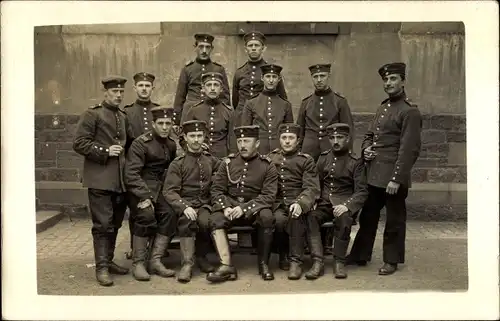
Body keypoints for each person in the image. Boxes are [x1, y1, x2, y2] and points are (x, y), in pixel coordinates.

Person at [347, 62, 422, 276]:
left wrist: (396, 179)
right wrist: (366, 149)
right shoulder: (383, 107)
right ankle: (361, 254)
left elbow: (410, 149)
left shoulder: (410, 112)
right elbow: (370, 135)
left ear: (403, 81)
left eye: (393, 79)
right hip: (374, 174)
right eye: (386, 80)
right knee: (368, 216)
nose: (388, 83)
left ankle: (392, 259)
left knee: (394, 220)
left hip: (393, 178)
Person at [73, 75, 133, 286]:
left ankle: (108, 261)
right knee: (103, 225)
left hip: (119, 180)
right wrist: (105, 151)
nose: (118, 95)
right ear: (105, 92)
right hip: (99, 179)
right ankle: (102, 268)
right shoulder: (92, 114)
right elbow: (79, 143)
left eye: (121, 92)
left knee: (115, 223)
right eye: (114, 92)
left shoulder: (122, 116)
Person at [206, 125, 278, 282]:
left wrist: (244, 208)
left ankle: (264, 263)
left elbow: (268, 196)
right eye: (239, 141)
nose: (242, 145)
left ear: (257, 143)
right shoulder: (227, 163)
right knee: (215, 219)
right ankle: (226, 265)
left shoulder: (267, 165)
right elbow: (217, 190)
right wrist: (225, 207)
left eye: (247, 141)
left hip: (255, 209)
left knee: (267, 217)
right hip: (230, 207)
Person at [305, 123, 368, 280]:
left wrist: (347, 206)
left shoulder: (356, 162)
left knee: (344, 219)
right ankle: (317, 262)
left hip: (344, 203)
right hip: (324, 203)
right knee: (311, 217)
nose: (335, 141)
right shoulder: (324, 158)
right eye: (332, 138)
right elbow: (315, 182)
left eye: (339, 137)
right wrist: (313, 199)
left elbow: (361, 191)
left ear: (347, 139)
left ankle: (339, 262)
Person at [124, 106, 179, 281]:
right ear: (153, 124)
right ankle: (138, 263)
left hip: (160, 190)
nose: (164, 127)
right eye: (161, 123)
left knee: (170, 214)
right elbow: (131, 174)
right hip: (140, 189)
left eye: (168, 123)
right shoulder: (141, 143)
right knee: (146, 215)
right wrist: (144, 197)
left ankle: (155, 261)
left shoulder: (170, 144)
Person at [164, 120, 222, 283]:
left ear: (204, 137)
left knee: (206, 221)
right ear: (185, 138)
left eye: (199, 136)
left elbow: (223, 169)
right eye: (192, 136)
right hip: (185, 203)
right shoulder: (178, 163)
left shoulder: (210, 160)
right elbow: (169, 191)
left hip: (204, 204)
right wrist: (184, 206)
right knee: (187, 221)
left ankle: (201, 256)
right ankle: (187, 264)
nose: (196, 140)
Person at [267, 123, 320, 280]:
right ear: (279, 140)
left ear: (298, 141)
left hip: (297, 202)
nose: (287, 141)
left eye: (291, 138)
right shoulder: (271, 158)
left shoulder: (306, 160)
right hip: (277, 203)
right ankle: (283, 255)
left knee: (295, 217)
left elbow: (311, 187)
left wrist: (301, 203)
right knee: (278, 221)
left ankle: (295, 261)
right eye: (284, 138)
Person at [297, 63, 354, 161]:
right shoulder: (306, 103)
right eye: (315, 77)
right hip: (308, 152)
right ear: (312, 78)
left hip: (331, 150)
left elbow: (348, 129)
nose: (319, 80)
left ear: (329, 76)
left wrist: (347, 150)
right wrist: (298, 152)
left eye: (322, 76)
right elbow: (300, 130)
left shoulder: (339, 102)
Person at [173, 33, 230, 127]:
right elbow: (180, 97)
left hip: (213, 111)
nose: (204, 51)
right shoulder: (187, 69)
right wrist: (176, 121)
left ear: (212, 49)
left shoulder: (219, 69)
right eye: (201, 47)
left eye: (207, 47)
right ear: (195, 47)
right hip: (191, 111)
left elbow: (225, 97)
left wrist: (224, 115)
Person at [232, 31, 287, 127]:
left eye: (256, 45)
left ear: (263, 48)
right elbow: (235, 100)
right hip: (241, 118)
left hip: (263, 117)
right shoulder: (239, 72)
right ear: (245, 49)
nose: (253, 48)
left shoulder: (270, 72)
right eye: (250, 46)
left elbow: (282, 97)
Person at [240, 64, 294, 155]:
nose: (271, 80)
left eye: (274, 77)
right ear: (262, 78)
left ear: (279, 79)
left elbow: (289, 132)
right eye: (268, 76)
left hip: (279, 151)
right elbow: (246, 133)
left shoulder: (285, 104)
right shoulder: (251, 103)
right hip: (258, 151)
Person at [181, 72, 237, 158]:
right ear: (203, 88)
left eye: (216, 85)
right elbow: (183, 137)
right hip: (199, 157)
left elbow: (233, 140)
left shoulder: (229, 111)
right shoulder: (194, 110)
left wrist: (231, 158)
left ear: (221, 89)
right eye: (209, 85)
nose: (212, 88)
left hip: (222, 158)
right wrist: (192, 148)